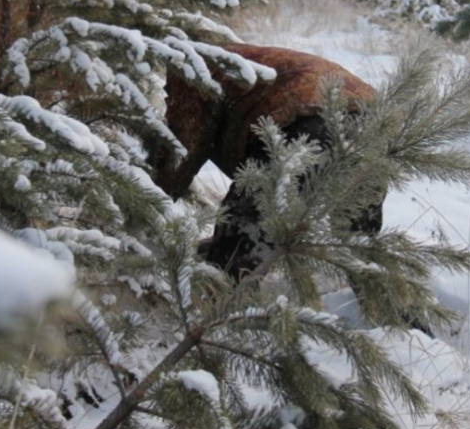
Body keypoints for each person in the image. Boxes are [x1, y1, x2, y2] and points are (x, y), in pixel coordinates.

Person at [150, 44, 383, 282]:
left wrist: (143, 207)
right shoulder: (243, 56)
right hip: (372, 123)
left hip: (308, 126)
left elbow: (180, 152)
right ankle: (390, 307)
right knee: (360, 242)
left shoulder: (192, 67)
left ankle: (225, 307)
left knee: (234, 256)